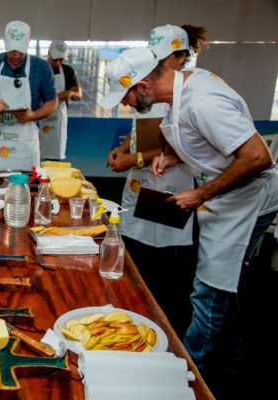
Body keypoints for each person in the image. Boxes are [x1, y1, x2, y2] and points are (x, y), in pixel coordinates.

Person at [101, 47, 278, 398]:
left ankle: (186, 371)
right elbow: (194, 139)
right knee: (223, 283)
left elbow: (258, 157)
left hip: (247, 198)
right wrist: (168, 156)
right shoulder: (176, 93)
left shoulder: (203, 102)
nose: (126, 104)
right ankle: (231, 360)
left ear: (143, 86)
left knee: (209, 288)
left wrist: (200, 194)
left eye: (126, 97)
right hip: (223, 194)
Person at [105, 25, 207, 338]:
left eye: (166, 58)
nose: (160, 64)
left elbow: (176, 149)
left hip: (168, 186)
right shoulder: (150, 85)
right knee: (136, 254)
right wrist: (124, 150)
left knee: (162, 265)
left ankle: (161, 333)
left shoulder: (186, 93)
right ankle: (133, 321)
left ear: (182, 55)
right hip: (141, 183)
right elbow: (141, 127)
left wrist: (133, 159)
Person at [0, 20, 57, 170]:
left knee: (27, 183)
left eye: (21, 50)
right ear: (4, 41)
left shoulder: (41, 67)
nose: (17, 55)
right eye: (12, 51)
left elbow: (52, 102)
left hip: (25, 144)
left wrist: (33, 115)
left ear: (28, 42)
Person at [39, 40, 81, 160]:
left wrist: (69, 93)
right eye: (55, 59)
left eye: (61, 59)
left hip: (58, 118)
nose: (58, 62)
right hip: (40, 115)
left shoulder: (68, 71)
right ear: (49, 53)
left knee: (55, 154)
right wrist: (56, 97)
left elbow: (78, 95)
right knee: (38, 151)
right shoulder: (39, 70)